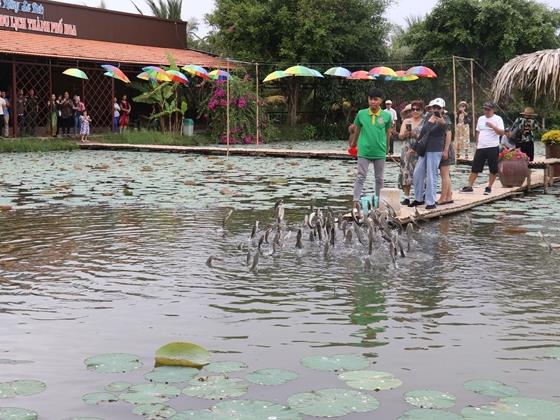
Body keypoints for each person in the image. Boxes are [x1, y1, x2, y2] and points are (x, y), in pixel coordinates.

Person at [349, 87, 392, 211]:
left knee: (379, 178)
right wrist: (353, 143)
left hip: (379, 151)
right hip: (364, 150)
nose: (372, 102)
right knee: (360, 176)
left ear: (381, 101)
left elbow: (388, 133)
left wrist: (387, 148)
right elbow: (357, 130)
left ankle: (378, 203)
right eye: (370, 99)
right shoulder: (361, 113)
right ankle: (356, 202)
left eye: (375, 99)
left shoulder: (386, 116)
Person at [409, 97, 452, 210]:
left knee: (432, 174)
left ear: (442, 108)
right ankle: (419, 198)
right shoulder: (428, 116)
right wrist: (414, 147)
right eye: (434, 107)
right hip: (424, 148)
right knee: (417, 173)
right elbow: (423, 132)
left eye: (438, 107)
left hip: (436, 148)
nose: (436, 109)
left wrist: (446, 150)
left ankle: (431, 201)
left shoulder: (445, 118)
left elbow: (447, 131)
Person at [460, 101, 505, 195]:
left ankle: (489, 187)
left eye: (488, 109)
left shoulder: (498, 119)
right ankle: (469, 186)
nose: (486, 111)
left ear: (493, 110)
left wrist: (493, 127)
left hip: (492, 146)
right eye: (485, 109)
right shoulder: (481, 118)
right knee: (475, 167)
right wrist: (477, 144)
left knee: (493, 169)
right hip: (481, 147)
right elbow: (478, 132)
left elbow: (501, 133)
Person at [398, 100, 424, 205]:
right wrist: (406, 133)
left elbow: (425, 137)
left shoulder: (425, 121)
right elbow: (400, 136)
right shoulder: (406, 121)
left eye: (418, 109)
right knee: (406, 172)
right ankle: (406, 197)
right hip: (406, 149)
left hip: (419, 149)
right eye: (413, 109)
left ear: (422, 110)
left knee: (420, 173)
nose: (415, 111)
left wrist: (415, 135)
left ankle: (420, 196)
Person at [438, 105, 455, 205]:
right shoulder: (438, 118)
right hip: (440, 148)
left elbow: (449, 134)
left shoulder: (445, 118)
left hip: (446, 148)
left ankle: (443, 198)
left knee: (444, 174)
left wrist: (446, 150)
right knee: (445, 174)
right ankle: (448, 196)